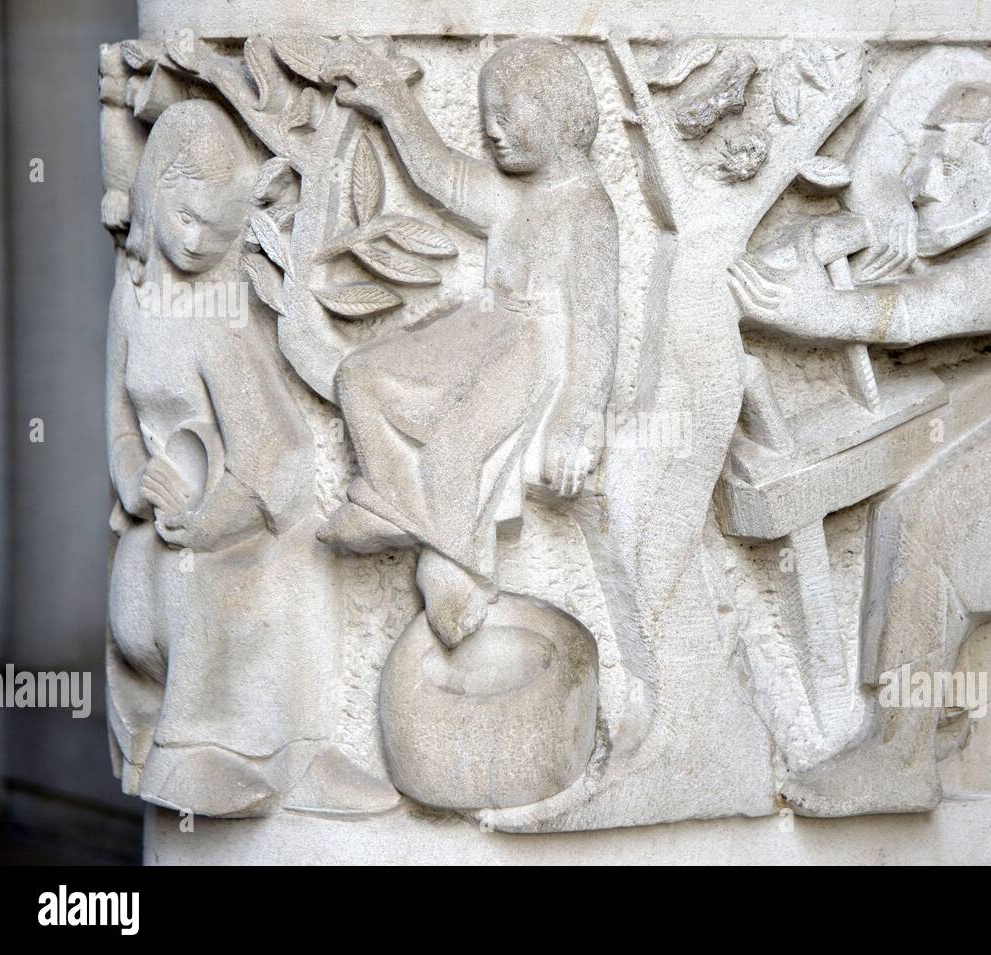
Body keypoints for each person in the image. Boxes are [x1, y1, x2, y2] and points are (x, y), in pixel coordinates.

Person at [729, 48, 991, 805]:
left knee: (930, 517)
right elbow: (940, 65)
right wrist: (878, 192)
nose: (925, 183)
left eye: (947, 167)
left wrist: (800, 312)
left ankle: (902, 761)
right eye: (926, 159)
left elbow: (913, 316)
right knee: (909, 494)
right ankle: (927, 707)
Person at [317, 38, 619, 648]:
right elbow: (440, 174)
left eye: (508, 114)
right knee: (358, 378)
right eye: (487, 114)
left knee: (454, 454)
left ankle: (460, 571)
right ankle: (396, 506)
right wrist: (393, 103)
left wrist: (578, 421)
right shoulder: (511, 192)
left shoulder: (587, 210)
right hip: (483, 328)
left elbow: (597, 327)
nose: (491, 130)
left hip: (533, 349)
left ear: (561, 114)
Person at [106, 99, 361, 816]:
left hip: (242, 518)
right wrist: (137, 479)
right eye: (184, 219)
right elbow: (120, 425)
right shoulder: (130, 303)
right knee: (146, 582)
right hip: (163, 512)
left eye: (215, 230)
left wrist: (217, 515)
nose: (194, 243)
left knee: (199, 585)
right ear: (155, 196)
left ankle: (234, 762)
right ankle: (175, 745)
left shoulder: (220, 320)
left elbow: (276, 452)